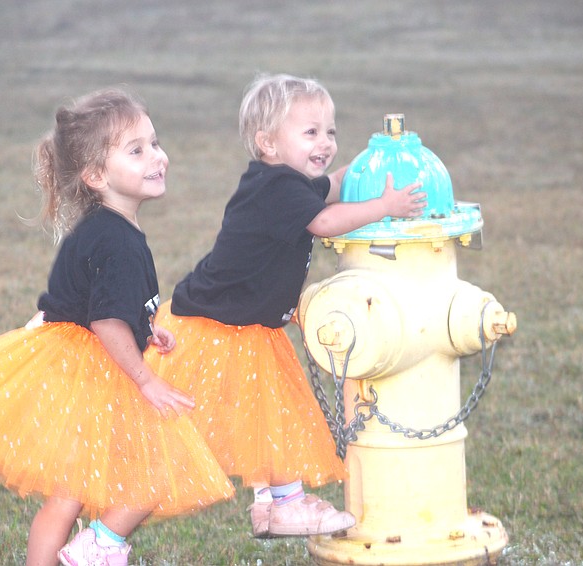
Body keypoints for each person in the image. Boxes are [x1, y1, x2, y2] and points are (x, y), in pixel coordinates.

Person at [0, 88, 234, 566]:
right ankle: (98, 547)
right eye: (136, 151)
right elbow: (106, 319)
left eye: (155, 143)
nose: (158, 157)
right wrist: (146, 378)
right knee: (156, 469)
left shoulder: (104, 229)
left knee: (70, 492)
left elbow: (103, 302)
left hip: (72, 364)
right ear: (96, 176)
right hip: (93, 372)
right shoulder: (119, 243)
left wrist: (147, 326)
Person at [145, 73, 427, 538]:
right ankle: (283, 504)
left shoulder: (287, 180)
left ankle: (277, 504)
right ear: (268, 144)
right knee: (229, 421)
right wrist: (384, 205)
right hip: (215, 326)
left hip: (242, 323)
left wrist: (369, 166)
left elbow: (333, 186)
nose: (326, 142)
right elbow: (324, 220)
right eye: (310, 132)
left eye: (331, 131)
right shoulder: (276, 188)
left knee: (264, 411)